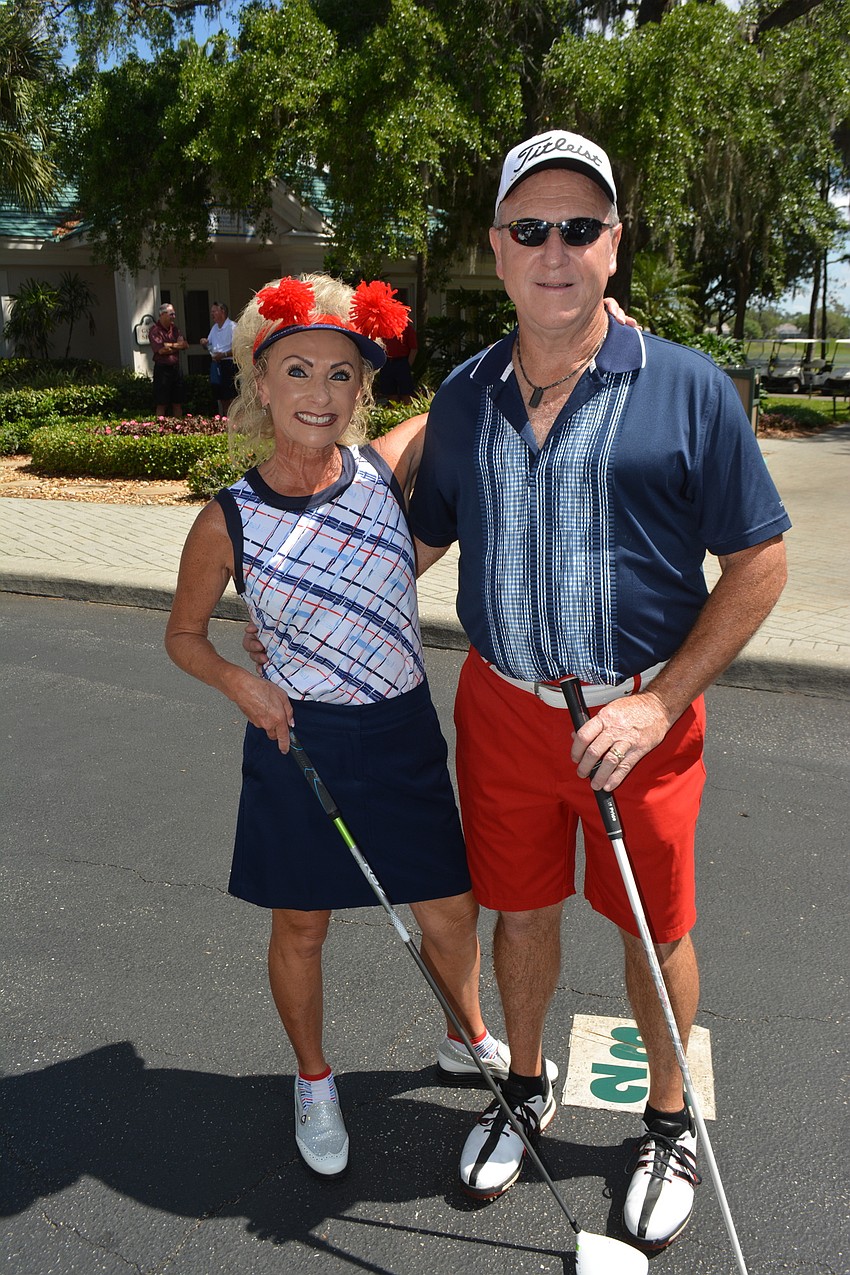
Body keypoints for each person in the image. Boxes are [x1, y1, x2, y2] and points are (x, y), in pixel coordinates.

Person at [406, 130, 790, 1250]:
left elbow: (759, 563)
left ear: (614, 246)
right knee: (518, 910)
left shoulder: (687, 388)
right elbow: (422, 539)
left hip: (641, 721)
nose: (555, 248)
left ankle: (662, 1118)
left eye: (580, 226)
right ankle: (523, 1087)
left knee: (651, 924)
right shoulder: (469, 393)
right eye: (531, 228)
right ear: (497, 248)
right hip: (501, 707)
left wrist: (661, 702)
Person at [164, 273, 517, 1182]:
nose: (318, 394)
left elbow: (464, 395)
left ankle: (466, 1030)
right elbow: (183, 637)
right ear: (261, 381)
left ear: (362, 389)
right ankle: (314, 1078)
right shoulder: (226, 518)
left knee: (449, 908)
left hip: (401, 731)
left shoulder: (379, 471)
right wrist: (243, 684)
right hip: (299, 740)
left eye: (339, 375)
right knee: (304, 927)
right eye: (297, 371)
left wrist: (594, 323)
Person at [149, 303, 188, 418]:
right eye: (171, 314)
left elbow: (185, 345)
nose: (174, 317)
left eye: (174, 314)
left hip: (176, 369)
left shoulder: (175, 329)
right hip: (162, 370)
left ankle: (179, 429)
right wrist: (177, 346)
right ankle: (160, 429)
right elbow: (161, 351)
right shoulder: (155, 331)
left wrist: (170, 345)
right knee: (162, 403)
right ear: (163, 314)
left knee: (178, 402)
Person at [200, 301, 237, 416]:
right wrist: (204, 342)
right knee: (220, 394)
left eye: (214, 311)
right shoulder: (215, 328)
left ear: (223, 312)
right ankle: (224, 419)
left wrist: (224, 355)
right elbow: (209, 345)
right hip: (216, 364)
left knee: (230, 395)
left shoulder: (232, 327)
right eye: (211, 312)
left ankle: (232, 420)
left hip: (228, 363)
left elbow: (238, 348)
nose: (212, 314)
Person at [377, 314, 418, 403]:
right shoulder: (382, 329)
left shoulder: (407, 329)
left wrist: (407, 365)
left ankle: (408, 413)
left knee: (406, 392)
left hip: (402, 362)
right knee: (390, 393)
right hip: (387, 362)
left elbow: (414, 349)